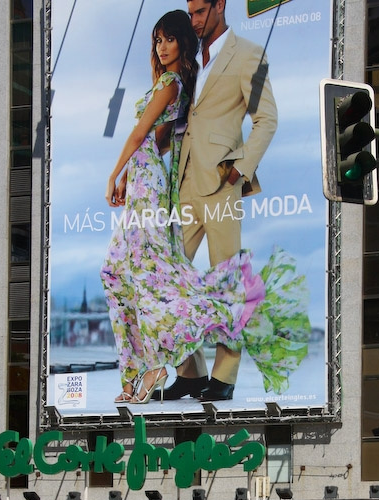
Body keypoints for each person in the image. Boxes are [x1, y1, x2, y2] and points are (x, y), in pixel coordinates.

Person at [101, 10, 308, 406]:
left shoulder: (249, 54)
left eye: (199, 10)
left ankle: (224, 376)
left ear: (220, 5)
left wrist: (240, 169)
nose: (194, 18)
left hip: (221, 184)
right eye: (190, 10)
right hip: (180, 186)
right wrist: (137, 166)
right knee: (165, 277)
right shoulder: (190, 69)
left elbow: (268, 119)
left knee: (226, 275)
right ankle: (190, 372)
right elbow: (173, 129)